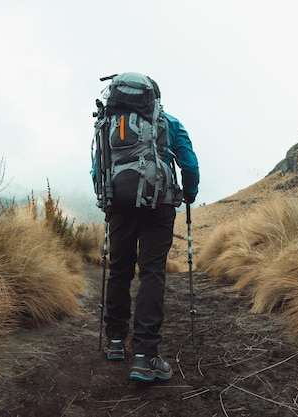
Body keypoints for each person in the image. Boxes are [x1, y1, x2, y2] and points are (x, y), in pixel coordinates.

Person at [101, 74, 200, 382]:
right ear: (154, 98)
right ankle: (145, 357)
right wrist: (189, 194)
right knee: (152, 273)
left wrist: (107, 199)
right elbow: (189, 163)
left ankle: (115, 342)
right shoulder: (168, 122)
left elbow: (99, 163)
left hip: (118, 205)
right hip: (159, 206)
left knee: (119, 270)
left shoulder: (108, 123)